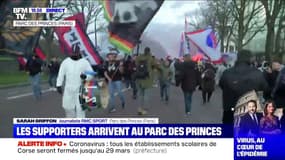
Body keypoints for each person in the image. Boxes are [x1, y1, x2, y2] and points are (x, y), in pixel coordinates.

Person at [219, 50, 268, 124]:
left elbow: (221, 85)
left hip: (230, 108)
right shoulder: (257, 73)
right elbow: (265, 87)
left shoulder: (227, 72)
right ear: (250, 59)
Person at [56, 45, 94, 118]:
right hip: (68, 89)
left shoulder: (84, 62)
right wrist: (58, 85)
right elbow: (61, 74)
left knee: (81, 110)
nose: (74, 54)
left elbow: (91, 73)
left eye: (76, 53)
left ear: (79, 52)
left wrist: (86, 77)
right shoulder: (65, 62)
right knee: (68, 108)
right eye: (72, 53)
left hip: (80, 89)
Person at [135, 47, 157, 115]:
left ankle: (139, 108)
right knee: (146, 95)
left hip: (139, 79)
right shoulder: (151, 58)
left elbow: (136, 64)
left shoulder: (139, 57)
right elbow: (155, 65)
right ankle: (144, 109)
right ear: (149, 51)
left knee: (140, 95)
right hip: (147, 79)